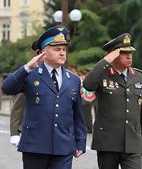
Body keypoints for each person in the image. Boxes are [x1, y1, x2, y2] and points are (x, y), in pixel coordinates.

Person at [2, 25, 87, 169]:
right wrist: (27, 67)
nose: (62, 53)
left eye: (64, 49)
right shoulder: (30, 74)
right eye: (57, 49)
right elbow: (7, 88)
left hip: (63, 147)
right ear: (44, 53)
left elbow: (78, 114)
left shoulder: (73, 79)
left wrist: (81, 141)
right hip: (35, 146)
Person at [83, 33, 142, 169]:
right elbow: (88, 84)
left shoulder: (139, 76)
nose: (129, 56)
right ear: (113, 55)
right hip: (108, 141)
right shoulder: (102, 74)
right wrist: (105, 61)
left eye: (130, 53)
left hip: (133, 140)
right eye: (123, 53)